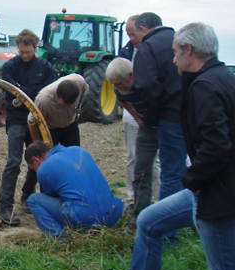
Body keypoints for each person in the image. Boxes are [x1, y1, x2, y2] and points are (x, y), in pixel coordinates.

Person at [173, 22, 235, 270]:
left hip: (217, 195)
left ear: (188, 50)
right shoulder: (226, 77)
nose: (172, 56)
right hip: (221, 188)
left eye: (176, 51)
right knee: (151, 221)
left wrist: (192, 180)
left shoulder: (206, 88)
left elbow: (217, 146)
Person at [0, 29, 57, 226]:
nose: (24, 55)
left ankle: (27, 197)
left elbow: (48, 91)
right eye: (21, 52)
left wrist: (23, 91)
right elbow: (10, 91)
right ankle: (4, 207)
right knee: (13, 162)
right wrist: (29, 91)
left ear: (35, 48)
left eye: (28, 52)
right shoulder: (9, 67)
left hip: (37, 120)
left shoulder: (45, 67)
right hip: (15, 120)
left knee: (37, 161)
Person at [132, 12, 187, 213]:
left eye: (134, 35)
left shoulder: (148, 47)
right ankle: (180, 218)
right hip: (181, 116)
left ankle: (156, 222)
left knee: (146, 170)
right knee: (174, 170)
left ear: (143, 29)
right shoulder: (180, 42)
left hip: (160, 118)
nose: (134, 41)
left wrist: (149, 114)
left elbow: (146, 85)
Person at [23, 140, 123, 238]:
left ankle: (58, 239)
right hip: (113, 214)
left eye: (33, 168)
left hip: (86, 218)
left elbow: (50, 196)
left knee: (34, 200)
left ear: (35, 160)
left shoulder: (44, 168)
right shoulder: (78, 150)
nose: (36, 171)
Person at [105, 57, 160, 211]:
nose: (116, 87)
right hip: (139, 118)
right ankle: (134, 199)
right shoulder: (118, 87)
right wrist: (137, 118)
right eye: (114, 84)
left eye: (119, 83)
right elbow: (123, 102)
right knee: (133, 157)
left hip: (155, 120)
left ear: (131, 76)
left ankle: (158, 199)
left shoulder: (146, 85)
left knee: (155, 161)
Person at [27, 73, 88, 146]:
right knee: (53, 155)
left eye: (71, 104)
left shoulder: (80, 82)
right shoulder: (43, 100)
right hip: (51, 130)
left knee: (74, 153)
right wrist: (37, 143)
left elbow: (83, 95)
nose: (67, 107)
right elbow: (32, 122)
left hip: (70, 124)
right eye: (65, 105)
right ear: (58, 96)